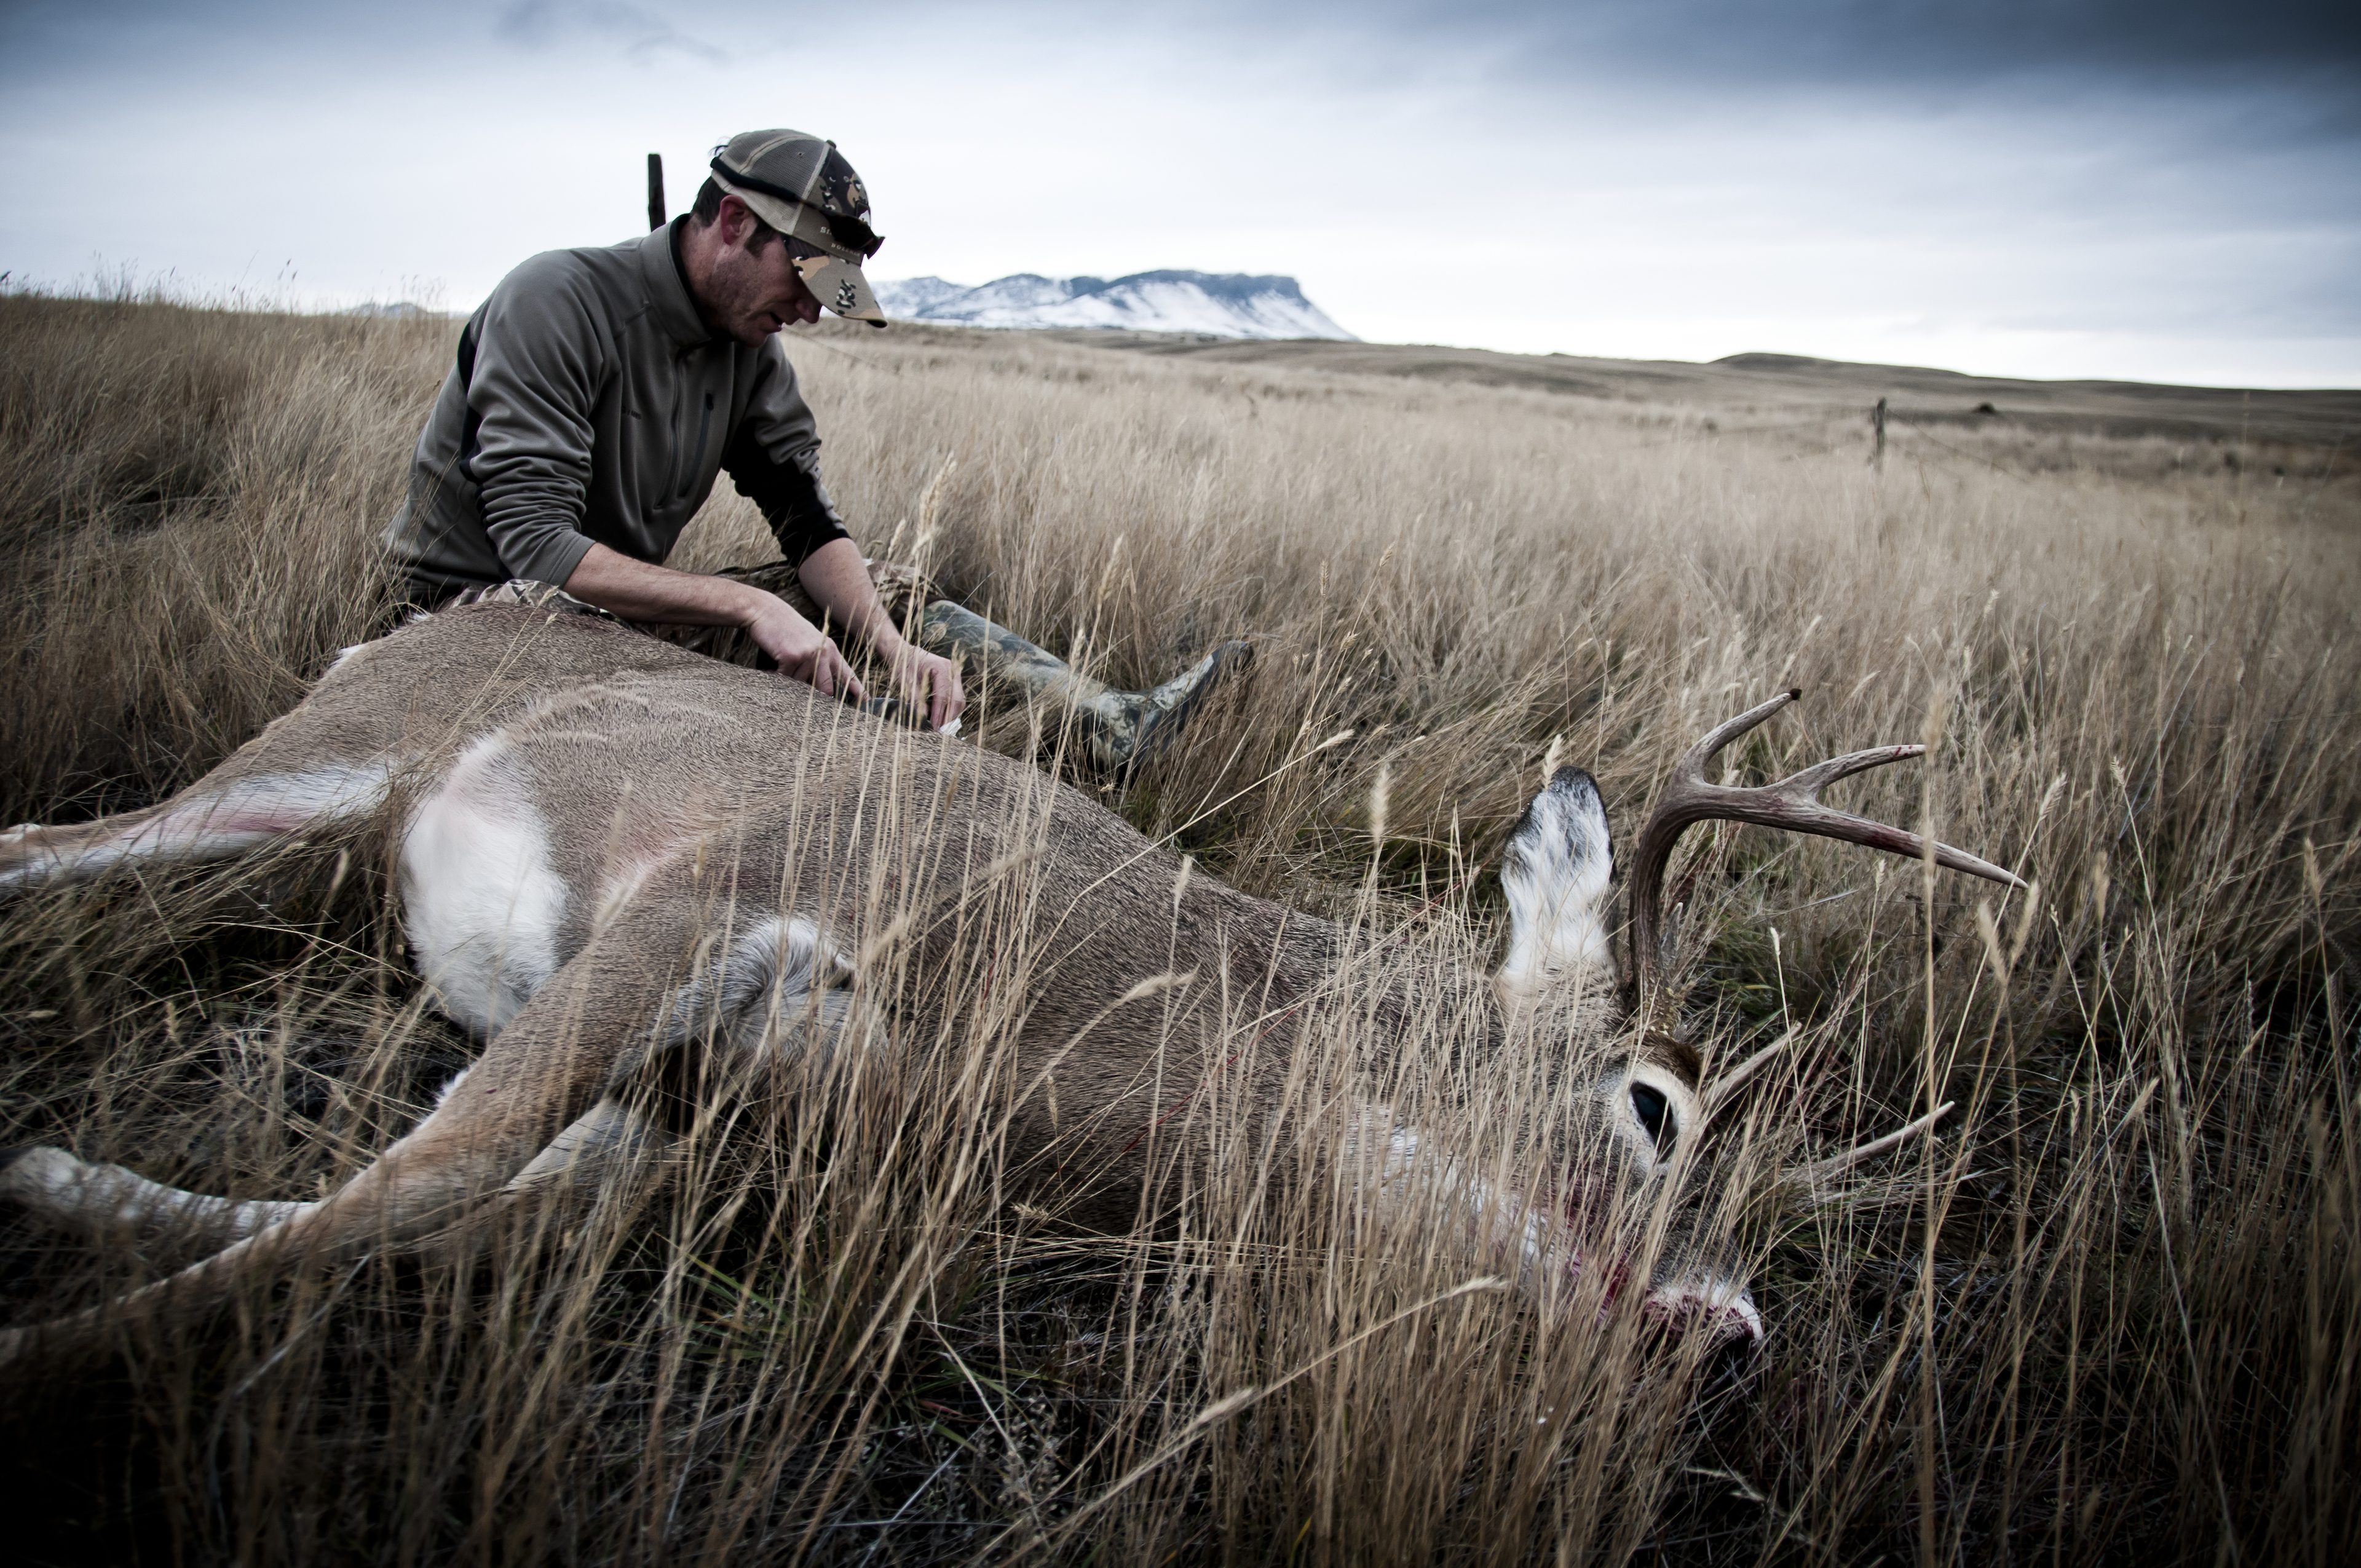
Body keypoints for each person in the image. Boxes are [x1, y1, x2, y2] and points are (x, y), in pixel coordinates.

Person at [384, 129, 1243, 769]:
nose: (811, 313)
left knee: (884, 595)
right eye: (804, 281)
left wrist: (889, 639)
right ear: (731, 221)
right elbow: (537, 549)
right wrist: (745, 605)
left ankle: (1106, 726)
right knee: (747, 664)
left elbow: (805, 519)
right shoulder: (557, 301)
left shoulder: (751, 353)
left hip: (609, 618)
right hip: (470, 621)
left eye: (832, 294)